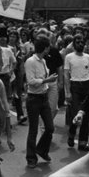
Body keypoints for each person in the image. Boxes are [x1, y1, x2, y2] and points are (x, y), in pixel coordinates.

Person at [23, 36, 57, 169]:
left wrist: (48, 81)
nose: (49, 49)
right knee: (33, 130)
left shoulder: (43, 60)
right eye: (48, 47)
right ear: (45, 48)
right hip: (33, 99)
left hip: (43, 97)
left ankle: (42, 150)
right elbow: (31, 81)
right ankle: (31, 158)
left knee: (50, 127)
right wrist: (46, 81)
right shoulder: (31, 61)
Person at [63, 33, 89, 149]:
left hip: (87, 86)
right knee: (76, 115)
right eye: (77, 42)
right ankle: (71, 134)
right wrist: (67, 92)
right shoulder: (69, 57)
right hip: (75, 86)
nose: (80, 44)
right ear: (74, 44)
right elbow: (66, 74)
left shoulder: (88, 57)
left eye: (82, 42)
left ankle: (82, 142)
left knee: (86, 114)